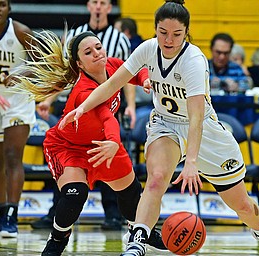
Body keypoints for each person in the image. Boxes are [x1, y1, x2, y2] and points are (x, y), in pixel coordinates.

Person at [59, 1, 259, 255]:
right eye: (162, 32)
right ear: (155, 29)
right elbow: (112, 83)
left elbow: (195, 117)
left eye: (176, 34)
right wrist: (83, 108)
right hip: (165, 124)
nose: (168, 40)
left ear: (186, 33)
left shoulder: (193, 60)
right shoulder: (148, 49)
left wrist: (191, 161)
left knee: (242, 205)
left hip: (202, 128)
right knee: (156, 180)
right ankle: (138, 241)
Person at [12, 30, 166, 255]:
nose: (96, 53)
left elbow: (135, 69)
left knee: (131, 191)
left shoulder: (112, 65)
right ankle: (57, 239)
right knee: (75, 193)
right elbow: (107, 116)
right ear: (80, 64)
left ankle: (140, 230)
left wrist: (145, 79)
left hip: (101, 143)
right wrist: (114, 141)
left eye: (98, 47)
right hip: (69, 147)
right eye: (88, 52)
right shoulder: (84, 91)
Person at [32, 0, 133, 231]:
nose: (98, 7)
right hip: (81, 107)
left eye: (103, 3)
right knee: (74, 177)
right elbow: (66, 75)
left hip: (108, 104)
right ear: (89, 6)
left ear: (109, 8)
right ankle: (59, 216)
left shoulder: (119, 40)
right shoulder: (75, 36)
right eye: (95, 2)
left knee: (109, 158)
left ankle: (113, 216)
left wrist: (132, 107)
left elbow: (128, 73)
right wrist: (47, 100)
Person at [0, 0, 36, 238]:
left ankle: (12, 215)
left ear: (9, 8)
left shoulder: (20, 32)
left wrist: (22, 72)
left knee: (12, 156)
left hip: (18, 100)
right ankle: (0, 212)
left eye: (2, 4)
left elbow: (45, 64)